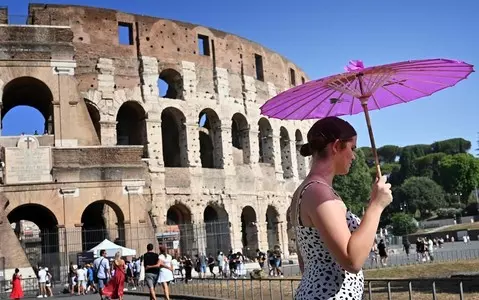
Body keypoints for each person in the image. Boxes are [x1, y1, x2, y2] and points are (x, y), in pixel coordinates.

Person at [289, 117, 392, 300]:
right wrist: (376, 206)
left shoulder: (305, 190)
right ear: (336, 146)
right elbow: (352, 260)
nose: (354, 156)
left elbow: (306, 260)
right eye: (352, 148)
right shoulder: (319, 193)